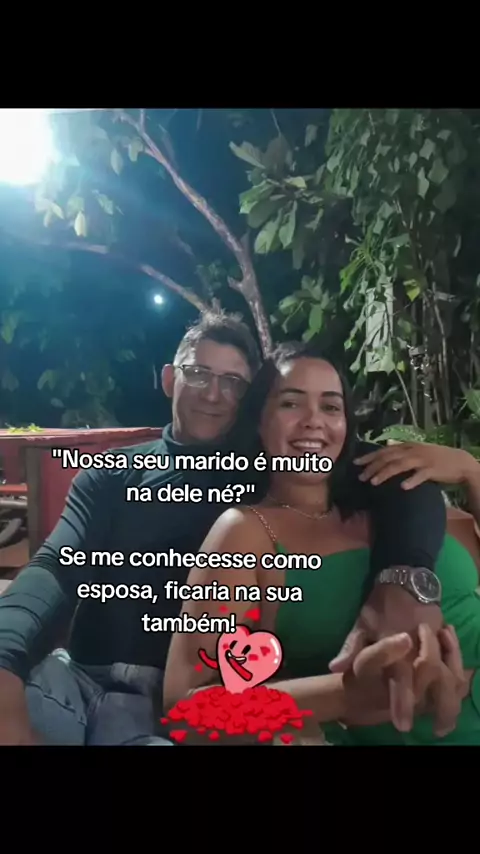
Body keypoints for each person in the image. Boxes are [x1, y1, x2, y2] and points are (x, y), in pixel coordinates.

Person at [0, 316, 449, 745]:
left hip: (169, 705)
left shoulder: (275, 472)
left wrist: (405, 574)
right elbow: (55, 567)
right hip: (76, 677)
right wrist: (5, 656)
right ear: (169, 379)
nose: (213, 394)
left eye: (233, 382)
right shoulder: (111, 475)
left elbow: (400, 482)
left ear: (252, 402)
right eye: (198, 374)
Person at [164, 341, 480, 744]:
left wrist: (472, 473)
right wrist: (346, 695)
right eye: (291, 404)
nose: (314, 421)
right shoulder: (244, 532)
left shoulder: (403, 503)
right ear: (258, 420)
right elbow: (185, 711)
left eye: (331, 407)